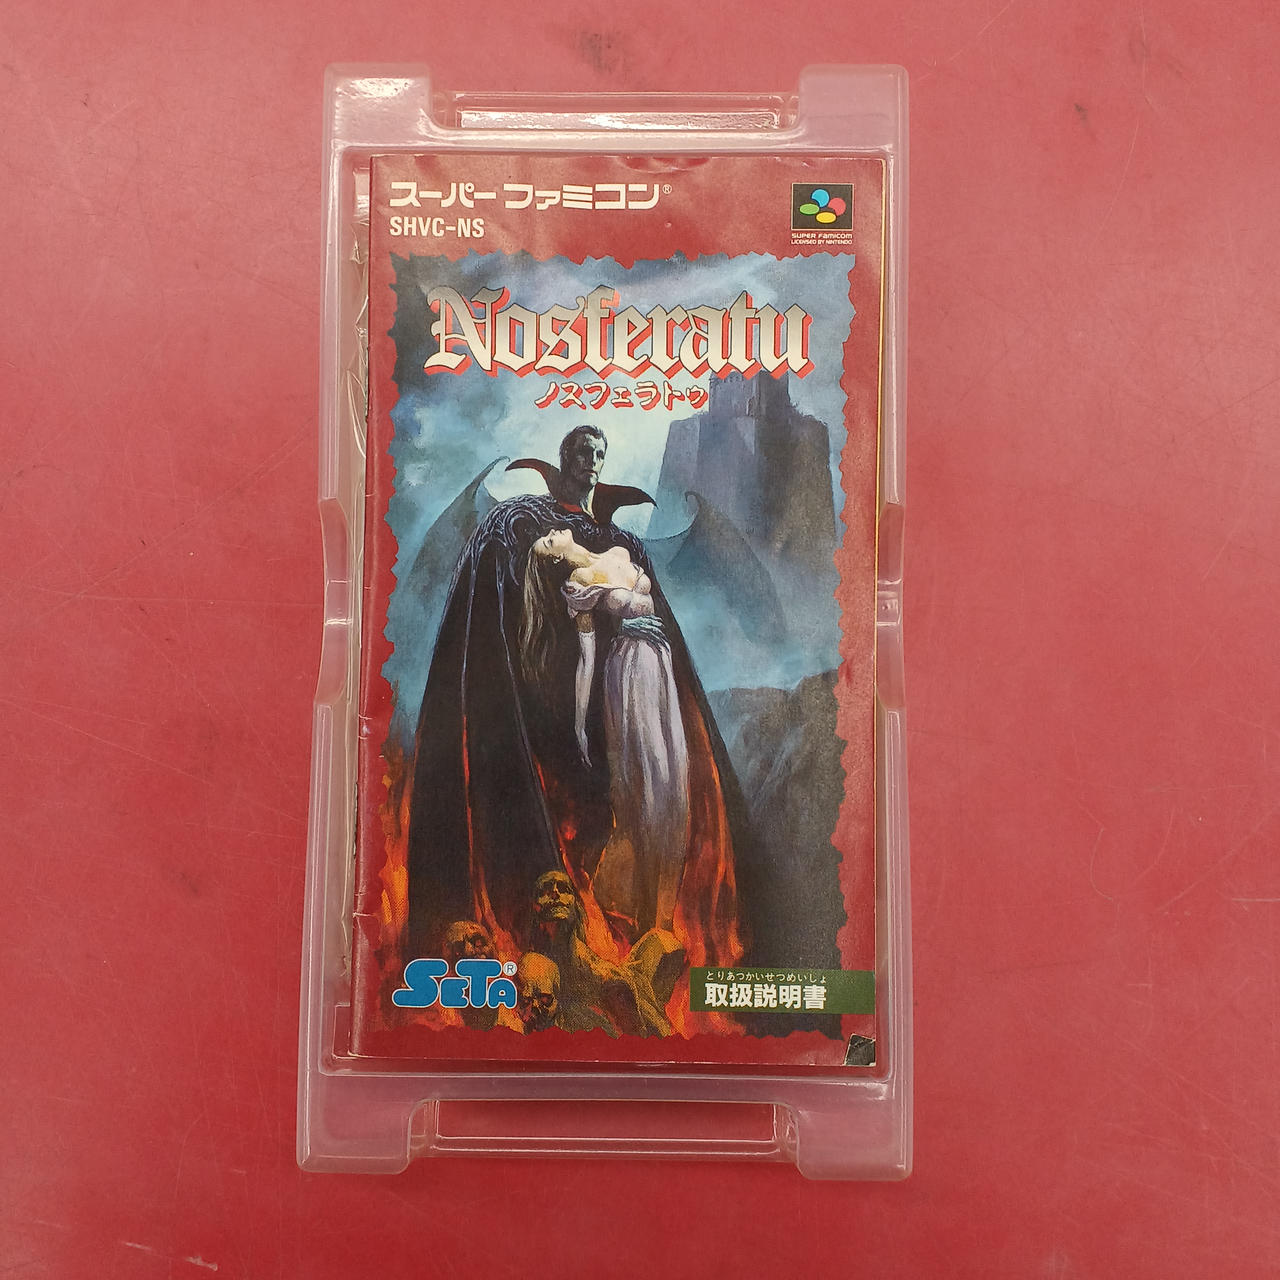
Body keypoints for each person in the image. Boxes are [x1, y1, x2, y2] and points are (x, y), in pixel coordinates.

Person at [523, 528, 689, 936]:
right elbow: (587, 657)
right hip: (630, 674)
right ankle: (646, 913)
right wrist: (581, 723)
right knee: (650, 784)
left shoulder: (617, 549)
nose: (553, 534)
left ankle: (663, 911)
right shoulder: (578, 584)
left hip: (659, 664)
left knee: (675, 779)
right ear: (556, 559)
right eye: (548, 543)